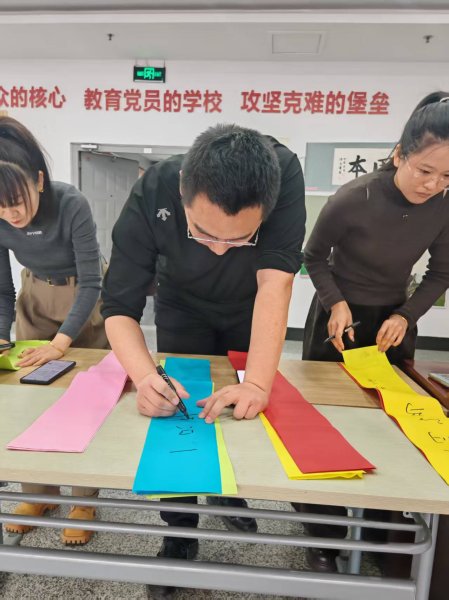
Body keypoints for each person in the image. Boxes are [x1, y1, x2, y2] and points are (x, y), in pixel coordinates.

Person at [101, 124, 306, 598]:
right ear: (182, 191)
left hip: (250, 304)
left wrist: (257, 384)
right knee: (177, 411)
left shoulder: (284, 175)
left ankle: (229, 494)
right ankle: (179, 531)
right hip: (182, 305)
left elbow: (275, 283)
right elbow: (118, 307)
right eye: (204, 233)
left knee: (242, 410)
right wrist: (145, 377)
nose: (217, 249)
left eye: (238, 239)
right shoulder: (154, 188)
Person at [298, 91, 449, 572]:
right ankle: (324, 534)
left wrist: (406, 315)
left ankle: (383, 530)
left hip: (393, 321)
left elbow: (441, 273)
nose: (434, 185)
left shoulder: (444, 206)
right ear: (400, 154)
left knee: (392, 427)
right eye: (425, 171)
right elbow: (313, 257)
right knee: (326, 424)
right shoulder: (354, 198)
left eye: (447, 177)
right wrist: (336, 302)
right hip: (338, 320)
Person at [0, 116, 108, 545]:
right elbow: (2, 288)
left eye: (17, 202)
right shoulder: (0, 215)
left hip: (82, 297)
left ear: (39, 181)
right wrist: (2, 336)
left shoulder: (70, 203)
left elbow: (93, 281)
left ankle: (84, 499)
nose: (11, 215)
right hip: (35, 296)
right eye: (0, 208)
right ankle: (39, 493)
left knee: (84, 401)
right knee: (28, 400)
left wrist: (60, 344)